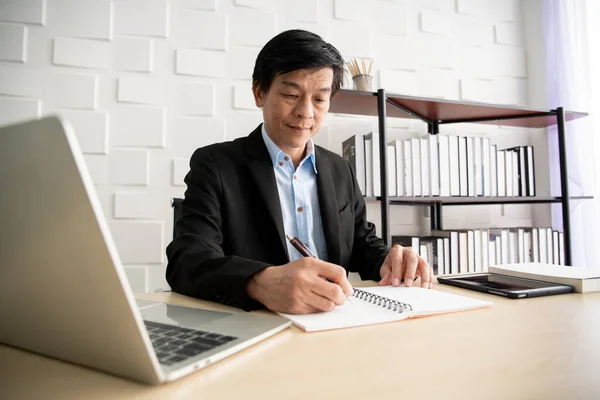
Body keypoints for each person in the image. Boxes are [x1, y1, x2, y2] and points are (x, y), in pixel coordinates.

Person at [166, 29, 432, 315]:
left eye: (319, 99)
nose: (306, 112)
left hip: (334, 321)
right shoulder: (216, 164)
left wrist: (389, 260)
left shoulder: (339, 168)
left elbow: (359, 241)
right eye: (291, 94)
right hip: (256, 325)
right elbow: (188, 259)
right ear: (259, 92)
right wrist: (259, 282)